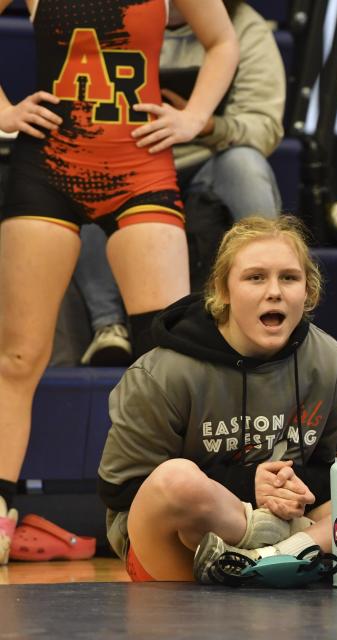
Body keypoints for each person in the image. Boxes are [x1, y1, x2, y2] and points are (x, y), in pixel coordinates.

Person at [0, 0, 239, 564]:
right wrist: (5, 113)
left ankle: (170, 511)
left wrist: (194, 117)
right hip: (49, 165)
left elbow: (223, 42)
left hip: (140, 166)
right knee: (17, 357)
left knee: (170, 355)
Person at [97, 215, 337, 582]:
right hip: (184, 542)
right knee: (176, 480)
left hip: (293, 523)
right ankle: (282, 550)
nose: (274, 291)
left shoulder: (332, 365)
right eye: (255, 277)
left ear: (308, 292)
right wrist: (247, 485)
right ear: (223, 291)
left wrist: (293, 488)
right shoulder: (163, 372)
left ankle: (275, 556)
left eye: (289, 278)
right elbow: (120, 489)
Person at [73, 0, 286, 366]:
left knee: (247, 166)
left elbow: (265, 127)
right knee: (90, 172)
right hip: (131, 157)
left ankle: (263, 312)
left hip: (209, 157)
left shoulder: (243, 26)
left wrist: (205, 124)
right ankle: (108, 328)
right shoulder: (115, 15)